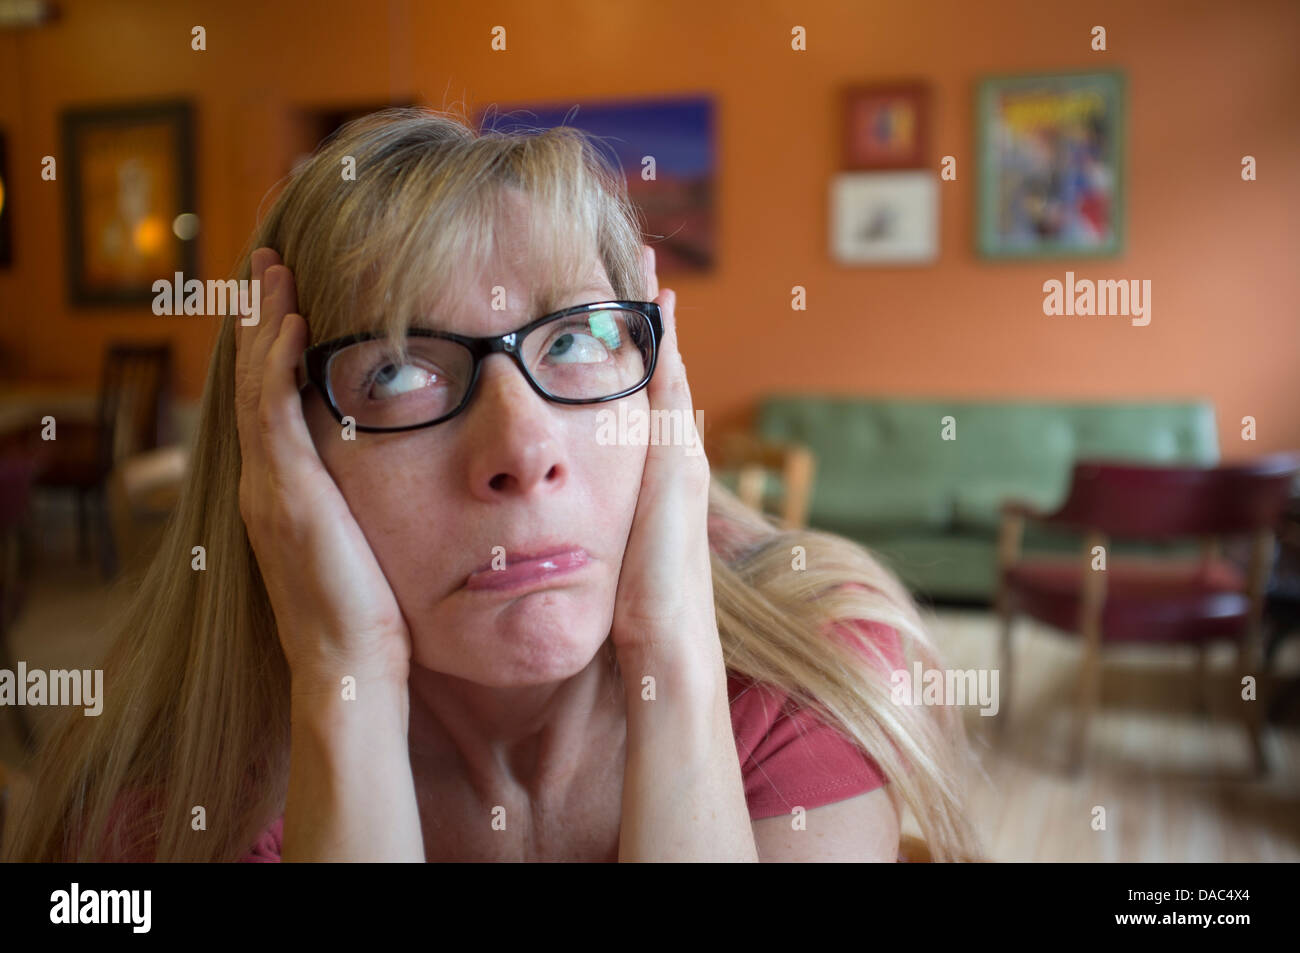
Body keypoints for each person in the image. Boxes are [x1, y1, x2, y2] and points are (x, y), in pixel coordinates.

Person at [5, 106, 982, 862]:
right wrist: (347, 684)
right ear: (277, 446)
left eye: (580, 338)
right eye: (393, 369)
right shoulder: (158, 813)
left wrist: (674, 651)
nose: (524, 445)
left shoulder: (819, 680)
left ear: (659, 388)